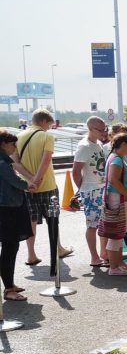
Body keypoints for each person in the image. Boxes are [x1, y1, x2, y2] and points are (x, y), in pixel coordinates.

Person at [18, 108, 72, 268]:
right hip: (47, 185)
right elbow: (46, 160)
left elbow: (15, 162)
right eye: (49, 124)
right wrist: (38, 179)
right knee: (53, 219)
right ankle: (58, 249)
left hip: (27, 187)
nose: (49, 127)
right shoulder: (46, 136)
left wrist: (30, 180)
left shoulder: (18, 137)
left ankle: (31, 255)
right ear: (43, 121)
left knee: (31, 221)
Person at [0, 131, 35, 301]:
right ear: (3, 144)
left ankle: (10, 285)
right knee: (9, 249)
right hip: (7, 210)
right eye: (12, 144)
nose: (14, 147)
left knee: (10, 248)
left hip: (9, 208)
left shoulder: (4, 161)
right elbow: (15, 182)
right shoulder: (2, 162)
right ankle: (8, 289)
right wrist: (28, 185)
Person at [73, 116, 109, 267]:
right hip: (91, 190)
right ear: (90, 129)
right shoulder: (84, 146)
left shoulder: (99, 143)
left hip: (101, 188)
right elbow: (76, 171)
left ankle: (103, 253)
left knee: (104, 223)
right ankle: (94, 257)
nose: (103, 132)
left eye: (104, 129)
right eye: (99, 130)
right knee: (92, 225)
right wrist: (82, 190)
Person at [101, 134, 127, 276]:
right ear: (122, 145)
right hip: (118, 198)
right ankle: (114, 267)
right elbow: (113, 179)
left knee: (119, 233)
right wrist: (125, 193)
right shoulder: (116, 159)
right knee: (116, 234)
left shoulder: (116, 157)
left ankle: (119, 263)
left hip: (117, 197)